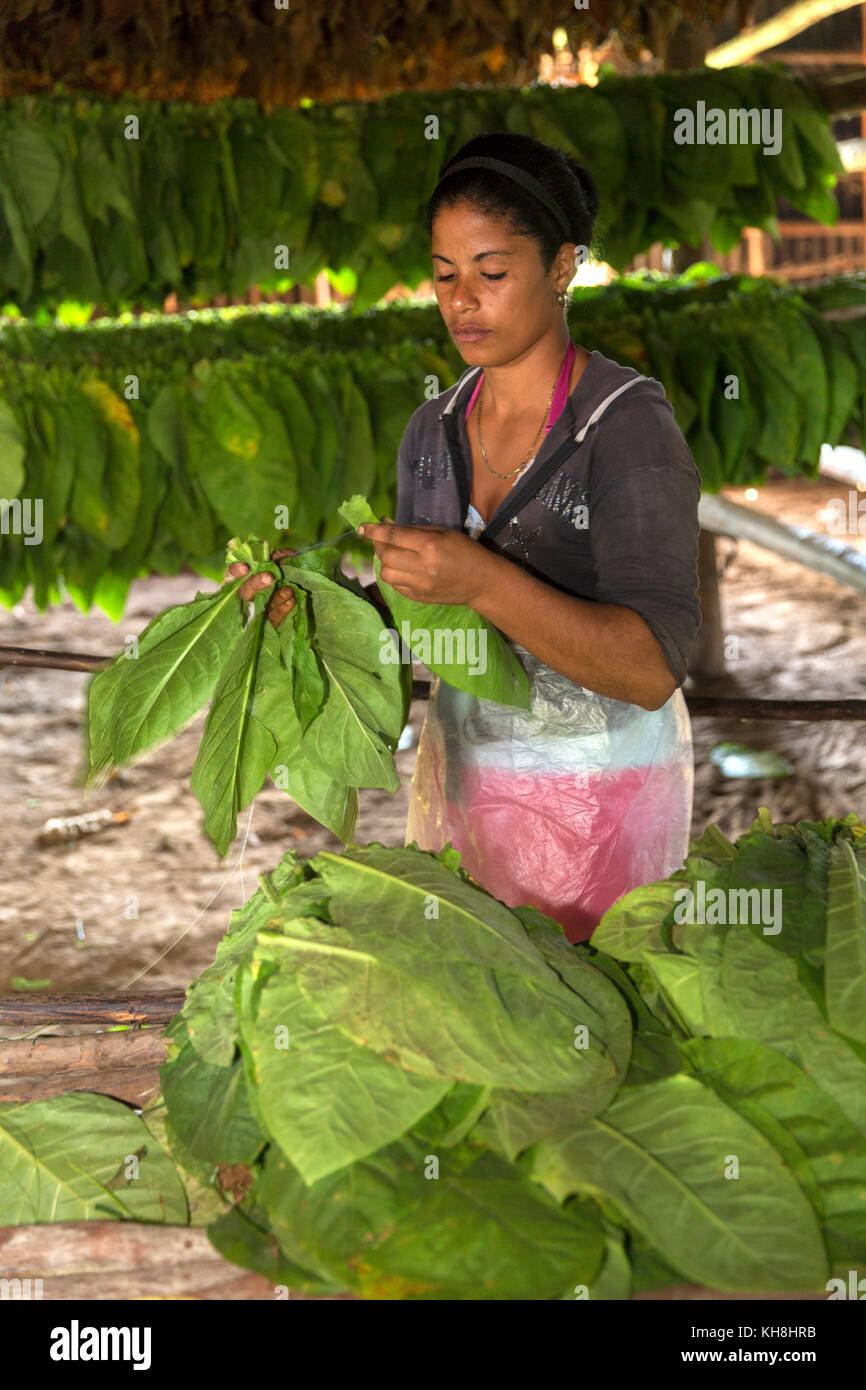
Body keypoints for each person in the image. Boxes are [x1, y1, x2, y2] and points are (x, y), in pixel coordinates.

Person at [232, 130, 701, 942]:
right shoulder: (434, 428)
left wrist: (483, 580)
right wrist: (314, 607)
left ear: (562, 267)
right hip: (467, 781)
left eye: (491, 273)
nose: (460, 301)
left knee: (588, 1019)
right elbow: (428, 613)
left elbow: (649, 665)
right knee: (483, 1005)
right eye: (445, 275)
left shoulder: (625, 428)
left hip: (602, 798)